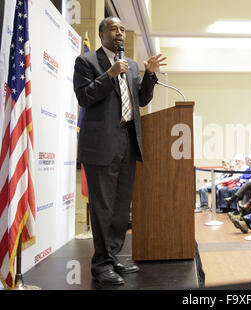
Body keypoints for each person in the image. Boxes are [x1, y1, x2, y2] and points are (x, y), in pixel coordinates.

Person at [73, 17, 167, 285]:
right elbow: (84, 97)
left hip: (128, 141)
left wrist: (149, 74)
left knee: (119, 208)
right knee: (102, 207)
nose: (119, 33)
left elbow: (142, 99)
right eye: (114, 29)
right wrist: (109, 75)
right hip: (100, 145)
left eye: (122, 29)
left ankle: (112, 256)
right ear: (101, 33)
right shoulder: (87, 62)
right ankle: (100, 265)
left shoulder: (133, 65)